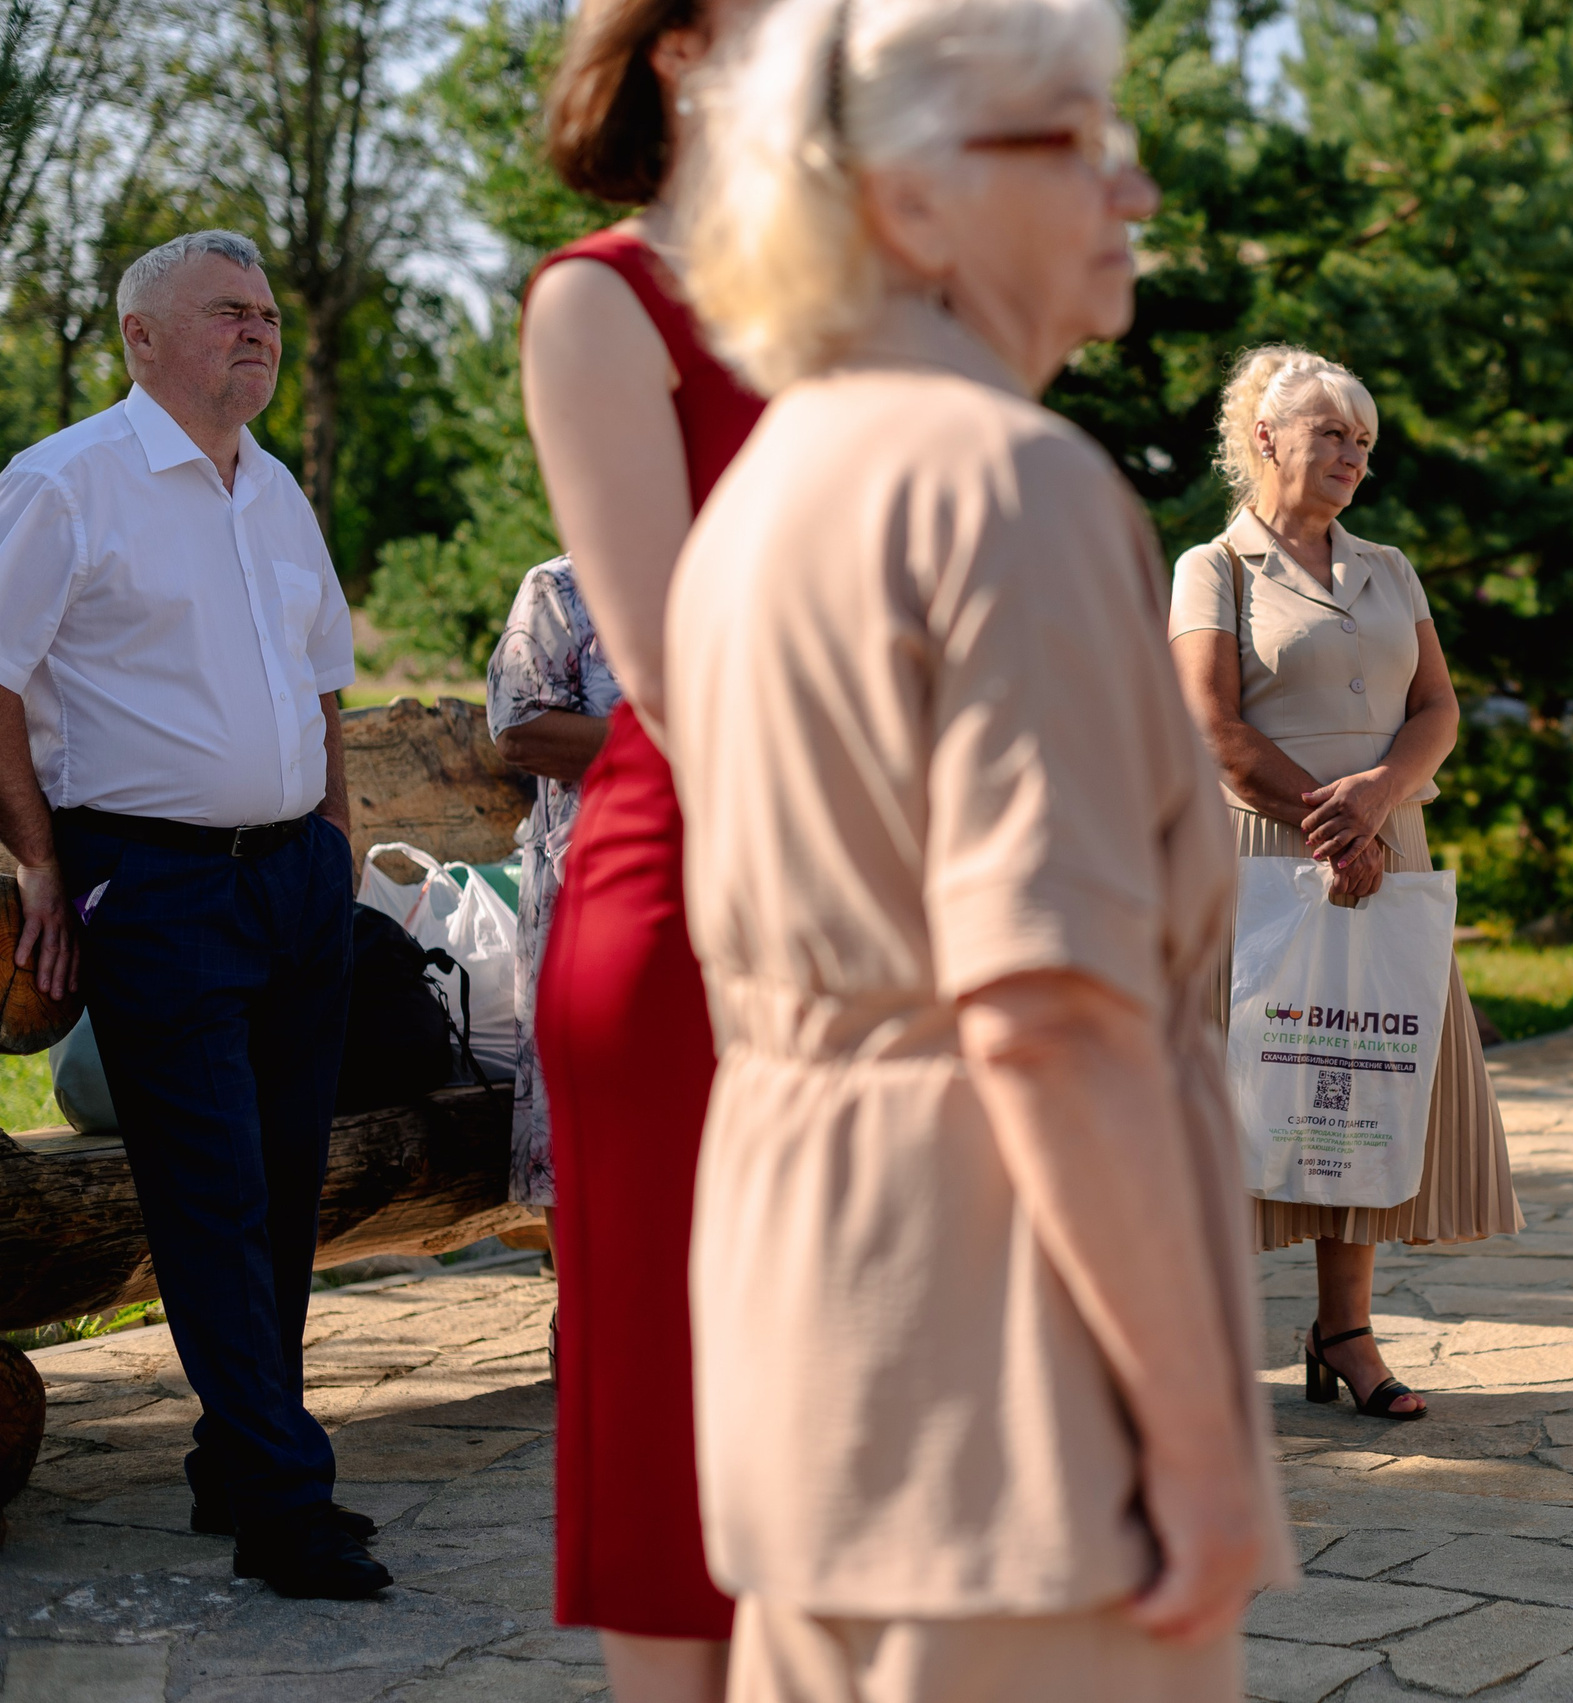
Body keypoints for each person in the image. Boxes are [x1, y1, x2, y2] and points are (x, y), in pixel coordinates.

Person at [662, 1, 1291, 1697]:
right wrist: (1196, 1434)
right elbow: (1047, 1008)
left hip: (818, 1349)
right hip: (1007, 1373)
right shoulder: (1007, 485)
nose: (1135, 185)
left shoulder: (775, 484)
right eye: (1072, 137)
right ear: (909, 201)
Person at [0, 229, 389, 1598]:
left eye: (271, 316)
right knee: (211, 1189)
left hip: (291, 879)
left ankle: (239, 1456)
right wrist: (44, 864)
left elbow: (323, 675)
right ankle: (287, 1503)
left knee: (282, 1187)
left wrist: (334, 827)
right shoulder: (62, 485)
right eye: (228, 313)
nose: (260, 332)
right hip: (152, 881)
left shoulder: (273, 488)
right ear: (140, 337)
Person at [520, 0, 765, 1692]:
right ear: (677, 47)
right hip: (696, 902)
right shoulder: (603, 296)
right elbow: (680, 674)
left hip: (886, 893)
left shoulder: (864, 301)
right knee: (687, 1401)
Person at [1170, 347, 1523, 1424]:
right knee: (1240, 1084)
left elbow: (1438, 711)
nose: (1353, 457)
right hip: (1261, 857)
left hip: (1384, 852)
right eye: (1333, 434)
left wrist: (1375, 799)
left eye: (1363, 442)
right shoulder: (1212, 566)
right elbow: (1214, 726)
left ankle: (1345, 1333)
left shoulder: (1389, 566)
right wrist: (1329, 819)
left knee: (1359, 1076)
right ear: (1266, 438)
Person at [484, 556, 620, 1219]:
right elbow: (518, 730)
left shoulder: (742, 563)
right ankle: (585, 1322)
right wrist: (671, 742)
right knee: (589, 1153)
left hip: (732, 895)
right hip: (595, 902)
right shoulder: (562, 588)